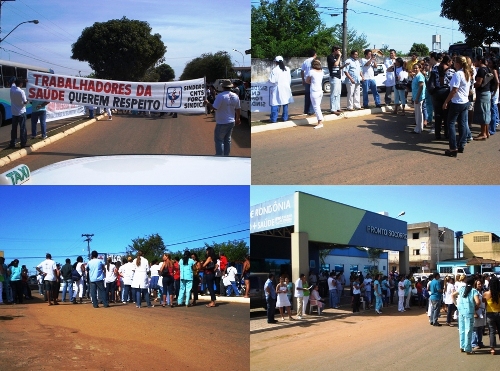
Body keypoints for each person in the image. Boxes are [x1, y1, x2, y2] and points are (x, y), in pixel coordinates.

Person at [442, 56, 472, 157]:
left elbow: (454, 90)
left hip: (457, 102)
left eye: (455, 62)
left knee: (450, 123)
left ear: (458, 64)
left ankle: (453, 147)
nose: (453, 64)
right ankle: (461, 145)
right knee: (462, 124)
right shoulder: (466, 73)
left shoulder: (458, 74)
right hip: (464, 101)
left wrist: (446, 101)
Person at [204, 80, 241, 156]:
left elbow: (215, 108)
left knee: (219, 140)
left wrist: (207, 103)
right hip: (231, 121)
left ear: (223, 87)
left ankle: (219, 156)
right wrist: (238, 118)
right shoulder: (235, 96)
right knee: (227, 139)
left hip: (222, 122)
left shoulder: (221, 96)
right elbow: (238, 108)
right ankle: (226, 155)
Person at [452, 277, 480, 354]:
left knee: (462, 329)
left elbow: (453, 295)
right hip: (469, 312)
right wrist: (476, 307)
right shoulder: (474, 291)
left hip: (461, 311)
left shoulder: (461, 289)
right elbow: (477, 301)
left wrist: (456, 305)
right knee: (468, 330)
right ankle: (468, 348)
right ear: (473, 283)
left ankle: (462, 346)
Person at [268, 56, 293, 122]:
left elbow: (272, 81)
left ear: (275, 62)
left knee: (275, 103)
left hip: (277, 88)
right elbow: (289, 80)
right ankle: (285, 118)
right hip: (286, 88)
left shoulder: (274, 70)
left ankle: (273, 119)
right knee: (285, 103)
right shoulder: (287, 69)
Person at [473, 57, 492, 140]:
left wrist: (471, 85)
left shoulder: (481, 70)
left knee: (482, 113)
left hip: (482, 93)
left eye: (475, 61)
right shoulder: (488, 69)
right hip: (487, 92)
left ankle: (483, 133)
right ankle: (486, 132)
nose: (474, 62)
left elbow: (478, 83)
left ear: (479, 61)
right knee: (486, 112)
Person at [9, 78, 28, 149]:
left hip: (14, 112)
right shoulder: (21, 92)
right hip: (21, 112)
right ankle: (23, 143)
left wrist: (22, 80)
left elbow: (14, 82)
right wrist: (28, 100)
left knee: (14, 128)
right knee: (22, 128)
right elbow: (25, 101)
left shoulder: (12, 89)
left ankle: (13, 143)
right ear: (20, 84)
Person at [483, 275, 500, 355]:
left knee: (492, 331)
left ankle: (492, 348)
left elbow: (484, 303)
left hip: (490, 314)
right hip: (499, 313)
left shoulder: (486, 294)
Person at [305, 59, 325, 129]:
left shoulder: (311, 72)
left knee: (316, 107)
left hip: (314, 91)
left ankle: (320, 122)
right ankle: (320, 119)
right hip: (320, 91)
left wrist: (312, 83)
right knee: (318, 106)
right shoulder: (322, 72)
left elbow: (307, 81)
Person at [327, 46, 346, 114]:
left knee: (338, 93)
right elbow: (335, 64)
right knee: (333, 93)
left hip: (338, 77)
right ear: (334, 50)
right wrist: (339, 56)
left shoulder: (336, 57)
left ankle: (337, 107)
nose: (339, 52)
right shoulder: (330, 57)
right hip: (334, 77)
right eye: (338, 50)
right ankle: (333, 109)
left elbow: (338, 67)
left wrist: (344, 66)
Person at [411, 63, 426, 134]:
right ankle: (419, 127)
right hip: (416, 97)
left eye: (416, 68)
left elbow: (421, 87)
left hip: (419, 97)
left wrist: (417, 98)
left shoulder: (419, 76)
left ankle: (418, 129)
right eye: (414, 68)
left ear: (419, 68)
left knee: (418, 114)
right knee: (418, 113)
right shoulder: (416, 76)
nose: (415, 69)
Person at [301, 49, 317, 115]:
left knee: (307, 95)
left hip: (306, 80)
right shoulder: (315, 61)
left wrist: (303, 80)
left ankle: (306, 110)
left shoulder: (305, 61)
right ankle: (311, 110)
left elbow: (302, 71)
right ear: (314, 54)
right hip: (313, 80)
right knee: (313, 96)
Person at [471, 279, 486, 350]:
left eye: (481, 284)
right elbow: (472, 303)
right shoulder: (474, 292)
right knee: (474, 329)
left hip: (482, 311)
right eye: (478, 284)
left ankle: (479, 342)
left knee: (480, 328)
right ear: (475, 285)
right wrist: (474, 312)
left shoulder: (483, 291)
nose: (480, 285)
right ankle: (474, 343)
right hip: (476, 311)